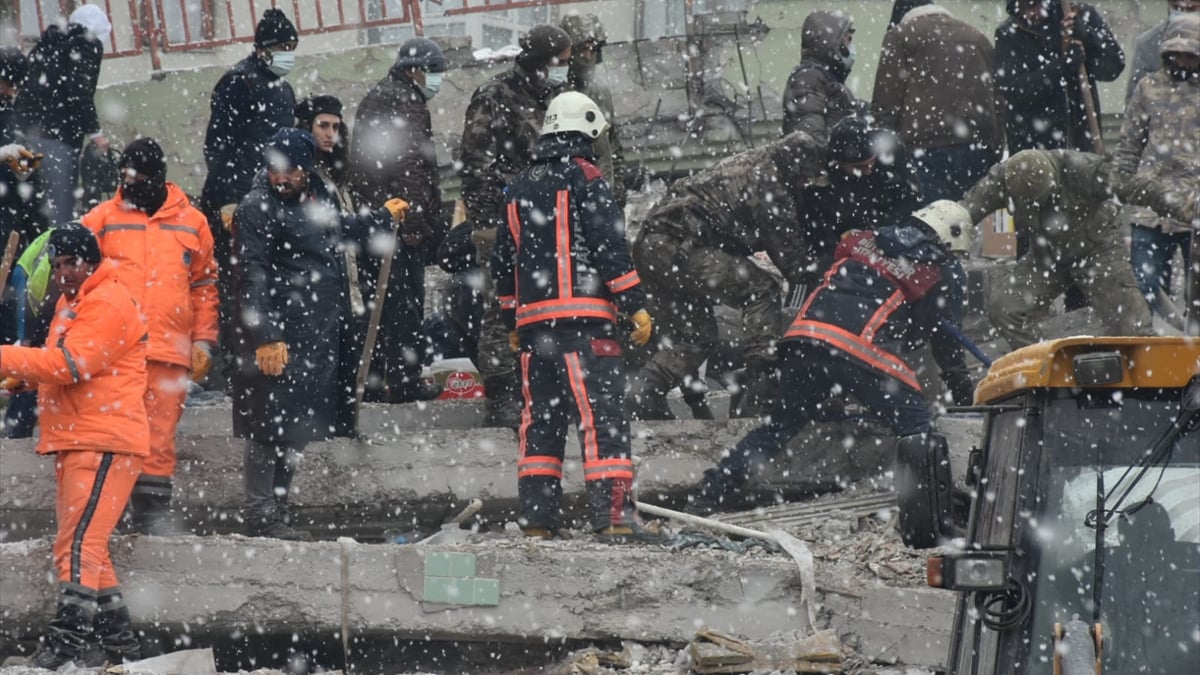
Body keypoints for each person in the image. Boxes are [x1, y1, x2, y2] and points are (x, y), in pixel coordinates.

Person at [685, 203, 975, 521]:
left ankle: (706, 498)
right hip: (860, 346)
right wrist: (965, 397)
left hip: (803, 338)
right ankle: (928, 516)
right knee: (918, 428)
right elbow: (943, 344)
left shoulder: (866, 238)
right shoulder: (942, 269)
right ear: (953, 240)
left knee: (780, 427)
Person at [491, 92, 653, 541]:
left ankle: (538, 523)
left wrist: (511, 323)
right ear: (586, 131)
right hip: (585, 326)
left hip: (533, 333)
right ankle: (615, 518)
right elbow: (608, 245)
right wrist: (634, 301)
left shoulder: (518, 186)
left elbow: (503, 263)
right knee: (602, 422)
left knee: (540, 426)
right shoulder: (586, 176)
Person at [231, 129, 406, 540]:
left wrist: (381, 218)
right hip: (280, 337)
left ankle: (279, 506)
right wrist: (265, 336)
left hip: (318, 333)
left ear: (306, 170)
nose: (282, 178)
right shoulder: (256, 208)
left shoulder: (318, 197)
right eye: (276, 169)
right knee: (267, 427)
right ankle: (261, 515)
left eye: (290, 170)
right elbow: (250, 276)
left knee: (296, 427)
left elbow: (339, 229)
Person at [0, 224, 147, 668]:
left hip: (105, 440)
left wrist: (6, 356)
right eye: (58, 264)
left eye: (71, 263)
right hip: (79, 438)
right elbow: (63, 366)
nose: (63, 272)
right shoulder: (74, 302)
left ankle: (64, 645)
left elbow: (70, 364)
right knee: (87, 549)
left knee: (79, 546)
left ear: (91, 261)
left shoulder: (107, 301)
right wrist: (26, 379)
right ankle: (121, 647)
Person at [626, 132, 828, 421]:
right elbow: (795, 265)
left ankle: (645, 392)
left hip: (652, 250)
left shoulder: (755, 161)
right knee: (762, 290)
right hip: (680, 245)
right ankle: (761, 388)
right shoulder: (772, 185)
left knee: (697, 335)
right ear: (799, 169)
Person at [79, 138, 218, 535]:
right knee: (114, 433)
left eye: (137, 177)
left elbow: (205, 285)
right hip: (115, 352)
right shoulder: (101, 219)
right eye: (126, 177)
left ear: (159, 177)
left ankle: (151, 512)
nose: (130, 184)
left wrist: (203, 341)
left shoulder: (193, 222)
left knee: (158, 437)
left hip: (169, 350)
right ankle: (112, 510)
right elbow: (77, 285)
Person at [960, 149, 1194, 349]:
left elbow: (1139, 188)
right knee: (1004, 308)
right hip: (1046, 257)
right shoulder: (1002, 178)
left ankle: (1149, 391)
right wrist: (936, 233)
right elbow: (963, 212)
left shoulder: (1084, 169)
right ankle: (1044, 366)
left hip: (1098, 252)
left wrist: (1182, 207)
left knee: (1133, 330)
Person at [459, 24, 572, 428]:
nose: (565, 68)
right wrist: (489, 224)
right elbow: (474, 165)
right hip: (503, 220)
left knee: (547, 304)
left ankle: (542, 386)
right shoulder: (495, 95)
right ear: (542, 60)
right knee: (498, 307)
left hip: (549, 220)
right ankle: (502, 393)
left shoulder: (560, 97)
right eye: (560, 60)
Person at [200, 8, 299, 389]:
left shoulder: (282, 89)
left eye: (292, 46)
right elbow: (219, 147)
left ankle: (263, 361)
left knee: (266, 284)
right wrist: (228, 199)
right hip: (236, 203)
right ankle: (231, 370)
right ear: (261, 48)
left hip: (270, 203)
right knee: (236, 286)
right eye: (281, 47)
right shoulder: (239, 83)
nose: (288, 53)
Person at [349, 38, 449, 404]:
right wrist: (414, 225)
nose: (437, 79)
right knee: (401, 307)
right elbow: (408, 167)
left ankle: (376, 382)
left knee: (383, 306)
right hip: (394, 224)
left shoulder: (394, 96)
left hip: (381, 221)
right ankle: (402, 383)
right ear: (414, 70)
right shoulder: (401, 99)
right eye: (433, 71)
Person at [872, 1, 1004, 201]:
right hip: (977, 148)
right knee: (966, 223)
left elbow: (886, 102)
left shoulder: (899, 36)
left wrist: (884, 156)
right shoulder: (976, 37)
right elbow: (999, 99)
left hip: (924, 151)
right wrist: (994, 148)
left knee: (930, 222)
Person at [1116, 14, 1199, 322]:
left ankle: (1192, 344)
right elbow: (1129, 145)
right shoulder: (1148, 88)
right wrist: (1120, 184)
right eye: (1177, 53)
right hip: (1151, 207)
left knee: (1198, 298)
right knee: (1143, 284)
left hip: (1194, 209)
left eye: (1191, 55)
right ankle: (1165, 337)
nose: (1183, 60)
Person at [13, 3, 110, 225]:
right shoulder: (88, 43)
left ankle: (28, 255)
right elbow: (80, 92)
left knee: (30, 208)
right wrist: (96, 134)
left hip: (24, 136)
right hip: (58, 139)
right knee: (58, 211)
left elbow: (27, 87)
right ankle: (56, 255)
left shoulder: (47, 43)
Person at [994, 0, 1124, 154]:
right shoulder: (1009, 34)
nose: (1030, 14)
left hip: (1082, 142)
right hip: (1033, 151)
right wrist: (1063, 67)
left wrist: (1088, 38)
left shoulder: (1079, 15)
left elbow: (1113, 67)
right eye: (1023, 7)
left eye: (1034, 5)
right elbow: (1016, 91)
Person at [800, 116, 924, 260]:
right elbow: (820, 228)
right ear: (839, 163)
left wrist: (879, 229)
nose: (868, 170)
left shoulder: (891, 149)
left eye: (871, 163)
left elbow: (912, 198)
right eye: (859, 167)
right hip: (849, 239)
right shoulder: (822, 174)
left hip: (890, 228)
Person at [560, 13, 627, 209]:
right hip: (571, 203)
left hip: (604, 199)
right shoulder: (555, 93)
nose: (588, 56)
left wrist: (618, 189)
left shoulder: (601, 92)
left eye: (593, 49)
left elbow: (614, 146)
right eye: (583, 49)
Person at [782, 10, 861, 142]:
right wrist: (839, 155)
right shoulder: (809, 79)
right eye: (848, 40)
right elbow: (808, 140)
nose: (852, 47)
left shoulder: (826, 78)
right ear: (834, 44)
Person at [1126, 0, 1200, 100]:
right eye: (1178, 8)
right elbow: (1135, 100)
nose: (1184, 13)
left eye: (1191, 8)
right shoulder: (1148, 43)